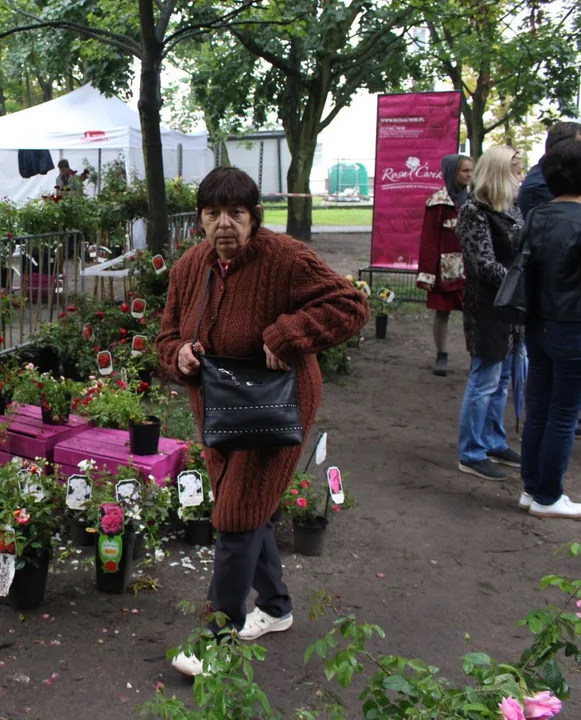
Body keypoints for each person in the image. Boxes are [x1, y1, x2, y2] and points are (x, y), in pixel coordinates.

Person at [157, 167, 368, 677]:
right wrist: (179, 355)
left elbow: (351, 304)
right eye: (213, 214)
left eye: (236, 213)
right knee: (249, 506)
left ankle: (219, 637)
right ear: (200, 220)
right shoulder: (190, 267)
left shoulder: (286, 259)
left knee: (233, 515)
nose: (224, 225)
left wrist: (288, 333)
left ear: (255, 216)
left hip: (279, 405)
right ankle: (275, 607)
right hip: (220, 410)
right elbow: (166, 337)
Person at [518, 139, 581, 518]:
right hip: (577, 327)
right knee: (564, 415)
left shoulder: (537, 215)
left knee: (539, 410)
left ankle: (532, 488)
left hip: (539, 324)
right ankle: (548, 496)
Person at [455, 146, 524, 480]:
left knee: (503, 377)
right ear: (499, 174)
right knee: (485, 377)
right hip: (487, 305)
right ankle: (471, 450)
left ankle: (493, 440)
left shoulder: (510, 206)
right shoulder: (474, 211)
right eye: (516, 171)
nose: (521, 178)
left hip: (511, 305)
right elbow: (483, 263)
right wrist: (520, 283)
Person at [417, 154, 472, 376]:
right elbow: (429, 240)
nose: (469, 175)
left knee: (473, 314)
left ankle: (475, 356)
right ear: (452, 172)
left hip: (471, 269)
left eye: (470, 171)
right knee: (443, 313)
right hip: (446, 270)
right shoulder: (438, 203)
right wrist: (427, 273)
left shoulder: (475, 200)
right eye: (464, 171)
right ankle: (442, 354)